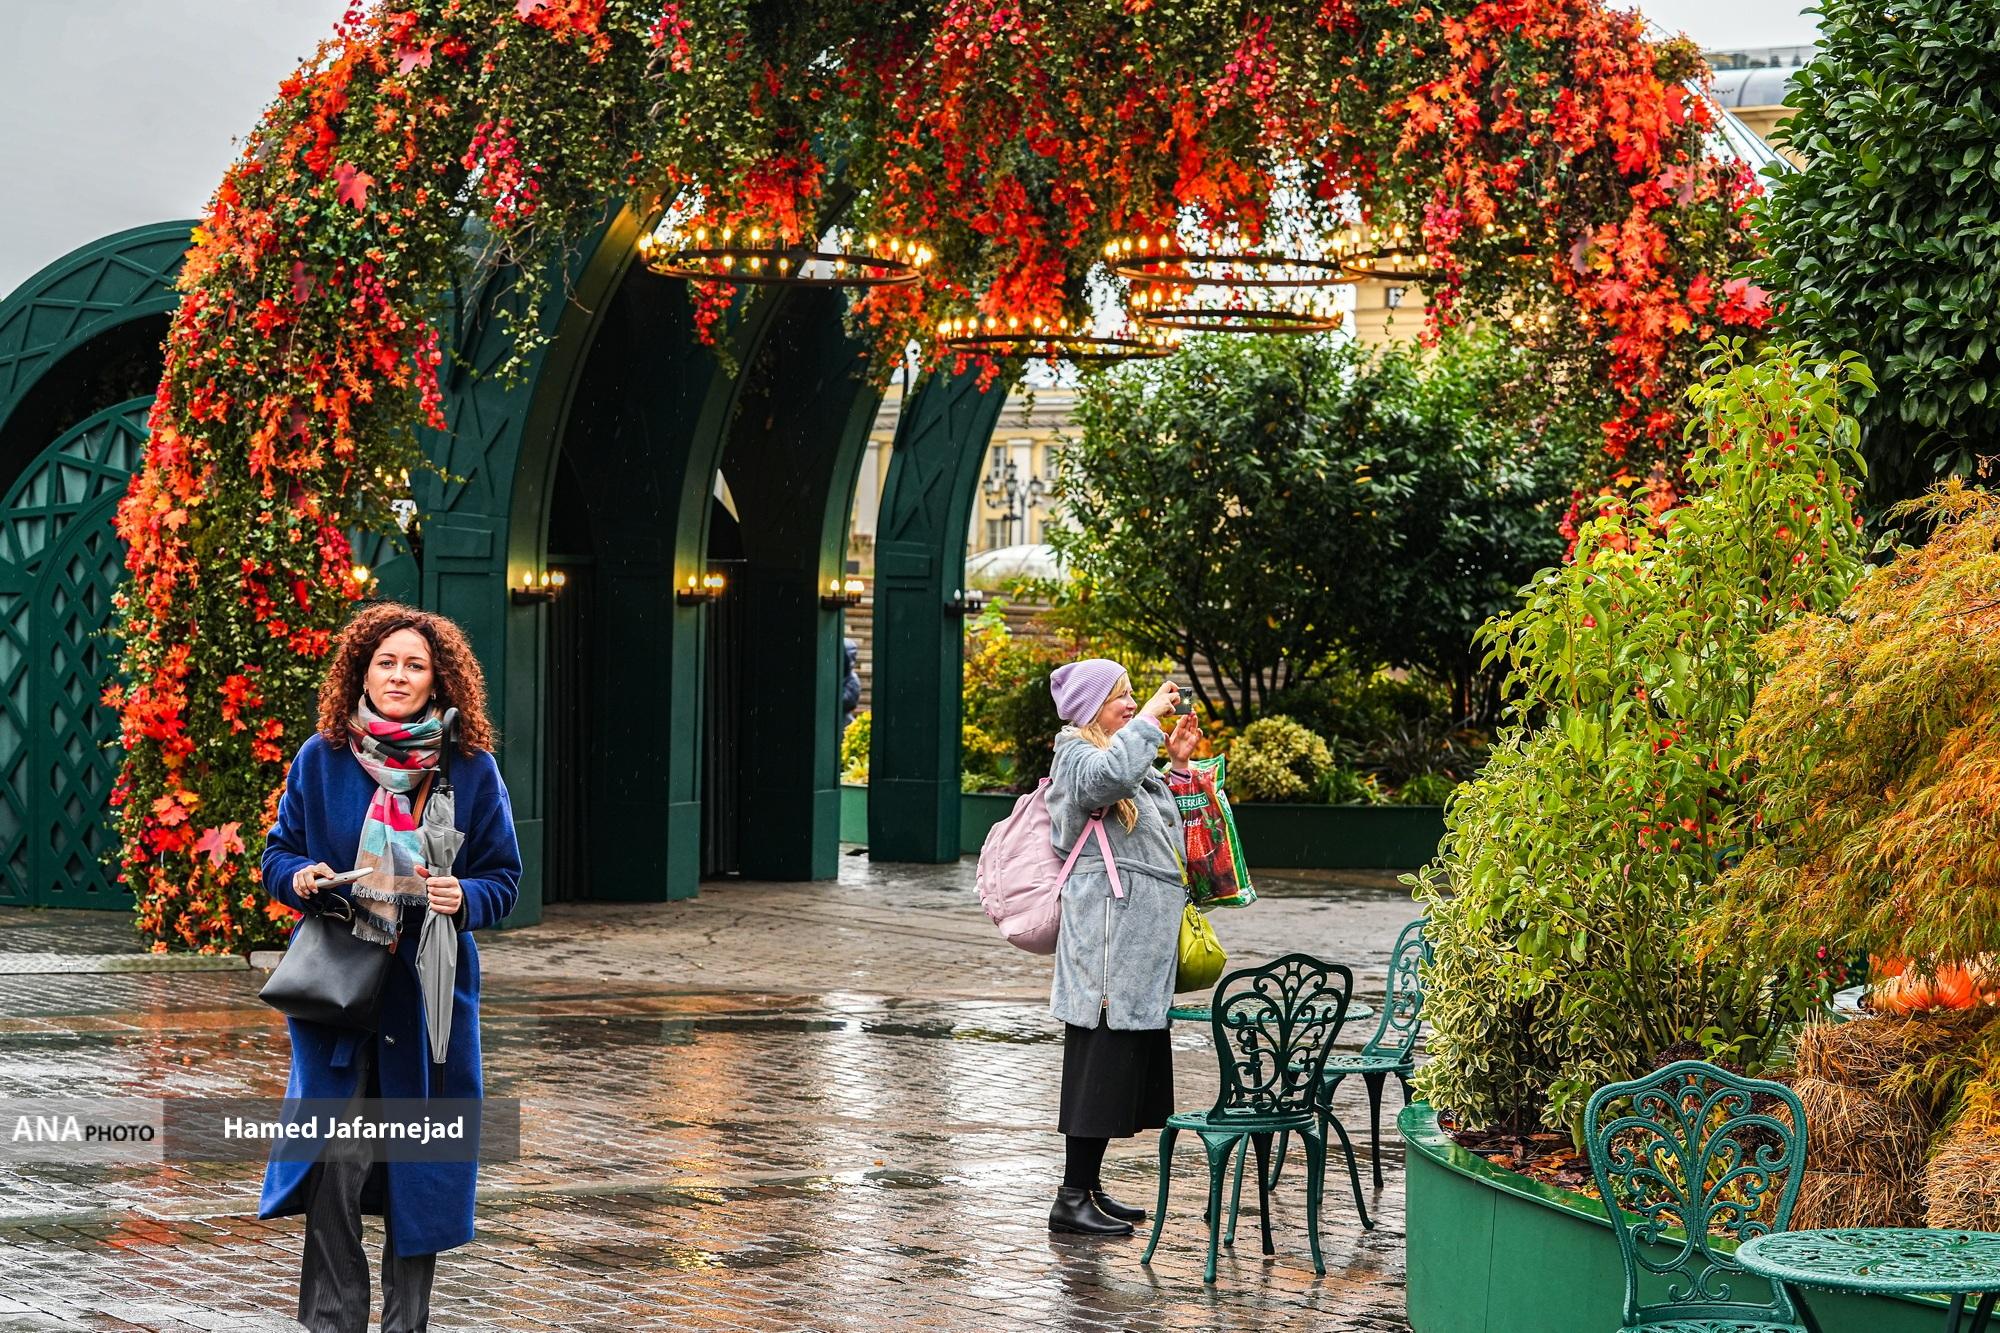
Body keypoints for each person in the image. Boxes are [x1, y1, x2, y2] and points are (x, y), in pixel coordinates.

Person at [259, 603, 521, 1333]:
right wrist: (300, 877)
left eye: (415, 664)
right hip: (338, 989)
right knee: (331, 1163)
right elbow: (278, 853)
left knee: (419, 1167)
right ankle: (332, 1322)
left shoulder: (470, 768)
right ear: (362, 672)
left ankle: (408, 1323)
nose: (399, 675)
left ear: (439, 679)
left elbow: (503, 877)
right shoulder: (322, 757)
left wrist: (464, 896)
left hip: (428, 995)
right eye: (386, 662)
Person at [1044, 657, 1201, 1236]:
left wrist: (1177, 765)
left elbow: (1172, 831)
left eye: (1134, 695)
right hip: (1107, 949)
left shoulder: (1125, 756)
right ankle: (1070, 1198)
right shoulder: (1075, 754)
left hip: (1134, 948)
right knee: (1098, 1068)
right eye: (1121, 696)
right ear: (1091, 708)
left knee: (1117, 1072)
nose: (1133, 704)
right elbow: (1101, 784)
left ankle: (1088, 1187)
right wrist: (1150, 723)